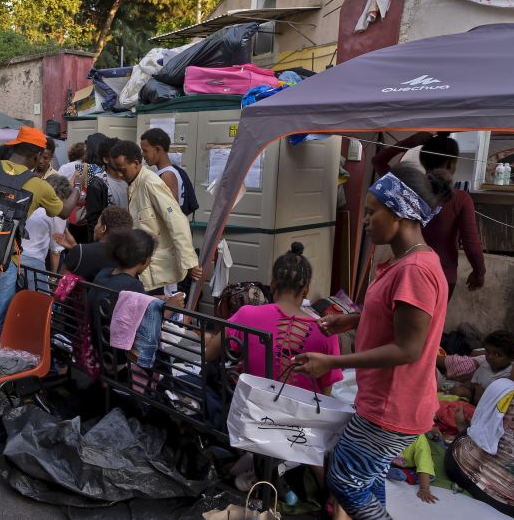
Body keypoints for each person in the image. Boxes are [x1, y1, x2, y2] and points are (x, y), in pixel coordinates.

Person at [295, 164, 451, 520]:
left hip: (393, 406)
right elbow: (397, 318)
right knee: (368, 476)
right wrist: (349, 320)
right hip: (385, 398)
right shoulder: (406, 262)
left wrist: (331, 362)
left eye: (370, 212)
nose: (364, 221)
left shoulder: (415, 270)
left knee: (345, 481)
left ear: (399, 212)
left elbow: (408, 348)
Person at [0, 125, 79, 417]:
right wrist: (76, 188)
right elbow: (63, 211)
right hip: (5, 263)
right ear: (37, 156)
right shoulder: (38, 185)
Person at [205, 242, 343, 393]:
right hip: (302, 414)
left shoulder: (246, 315)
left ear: (272, 285)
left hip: (253, 409)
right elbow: (325, 393)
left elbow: (210, 353)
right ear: (306, 291)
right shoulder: (327, 332)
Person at [372, 132, 485, 297]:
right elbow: (470, 242)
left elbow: (378, 161)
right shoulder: (460, 199)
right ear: (452, 164)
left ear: (423, 161)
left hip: (405, 271)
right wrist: (479, 272)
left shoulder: (406, 189)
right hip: (441, 276)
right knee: (431, 323)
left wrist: (410, 141)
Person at [108, 140, 201, 293]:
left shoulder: (150, 183)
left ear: (136, 163)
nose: (119, 174)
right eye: (115, 170)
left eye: (122, 170)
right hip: (143, 269)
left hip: (159, 273)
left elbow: (177, 221)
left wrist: (190, 263)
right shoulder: (133, 184)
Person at [445, 343, 514, 518]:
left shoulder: (503, 387)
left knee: (475, 430)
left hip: (463, 470)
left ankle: (462, 429)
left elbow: (480, 431)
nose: (512, 367)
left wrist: (464, 429)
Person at [54, 205, 134, 281]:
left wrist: (77, 250)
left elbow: (60, 286)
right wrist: (76, 248)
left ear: (103, 229)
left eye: (98, 223)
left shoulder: (80, 252)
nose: (95, 227)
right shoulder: (128, 260)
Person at [20, 175, 72, 289]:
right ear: (62, 196)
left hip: (13, 255)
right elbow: (55, 251)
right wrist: (53, 277)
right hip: (33, 261)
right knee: (38, 301)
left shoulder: (29, 199)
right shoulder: (57, 213)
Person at [449, 330, 514, 405]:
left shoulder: (511, 375)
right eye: (488, 351)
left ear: (512, 358)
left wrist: (469, 394)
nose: (490, 357)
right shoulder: (485, 366)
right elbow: (473, 382)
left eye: (497, 354)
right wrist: (460, 388)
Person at [140, 128, 183, 206]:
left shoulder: (167, 176)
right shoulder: (166, 173)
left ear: (157, 149)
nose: (143, 155)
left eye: (145, 151)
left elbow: (170, 212)